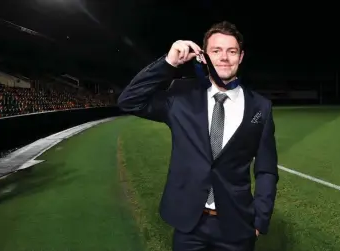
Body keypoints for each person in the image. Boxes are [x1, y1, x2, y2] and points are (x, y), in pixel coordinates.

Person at [117, 21, 279, 251]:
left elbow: (266, 169)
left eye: (231, 51)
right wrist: (169, 63)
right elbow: (129, 101)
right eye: (216, 51)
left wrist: (260, 219)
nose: (224, 57)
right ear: (203, 56)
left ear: (240, 57)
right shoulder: (181, 96)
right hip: (189, 225)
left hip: (237, 225)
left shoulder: (260, 107)